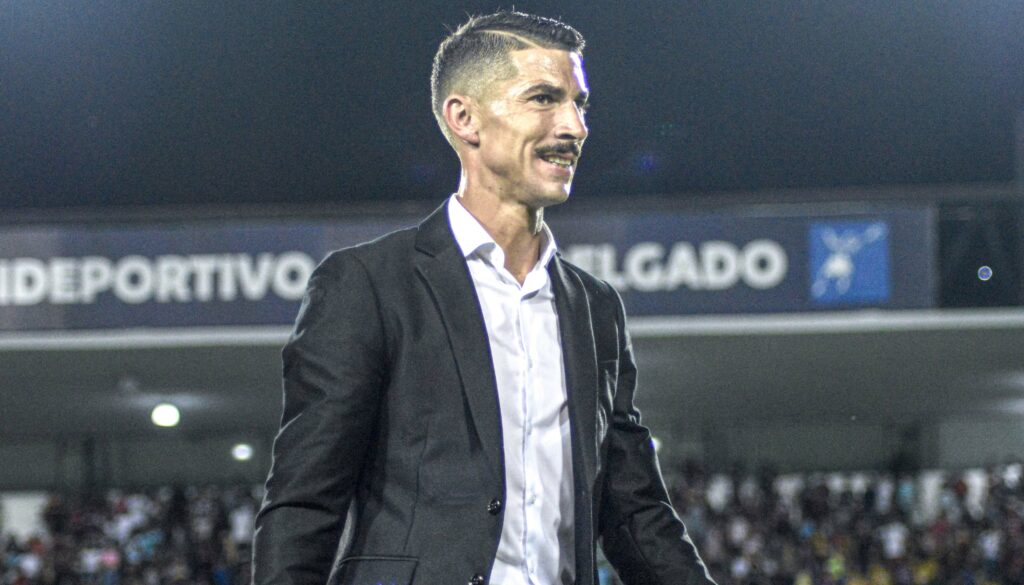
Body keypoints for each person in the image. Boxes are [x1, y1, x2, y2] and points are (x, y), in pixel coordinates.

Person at [252, 11, 715, 585]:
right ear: (464, 117)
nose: (574, 126)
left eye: (580, 103)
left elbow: (636, 513)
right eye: (544, 98)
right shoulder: (367, 285)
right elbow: (304, 504)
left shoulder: (595, 308)